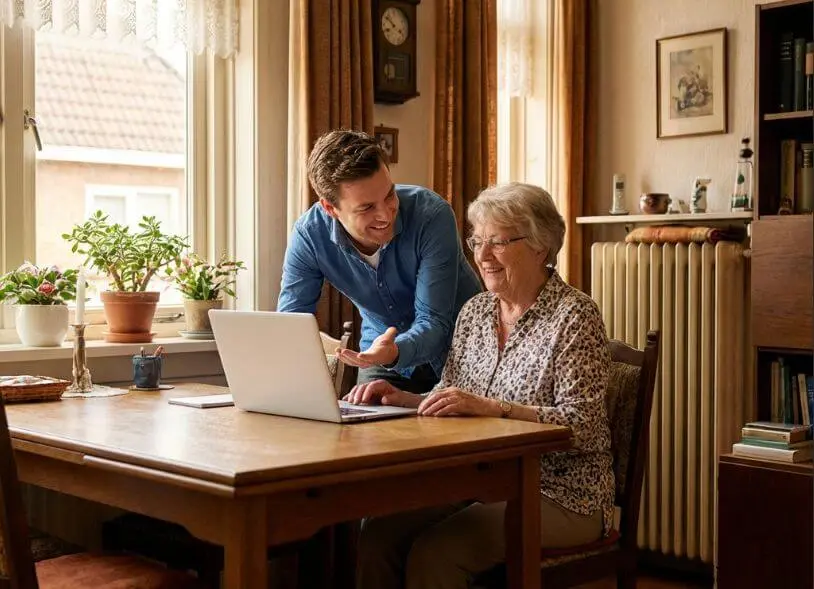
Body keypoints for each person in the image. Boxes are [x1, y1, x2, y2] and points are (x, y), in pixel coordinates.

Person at [344, 182, 614, 589]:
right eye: (477, 241)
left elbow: (583, 425)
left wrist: (496, 408)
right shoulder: (474, 311)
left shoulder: (575, 315)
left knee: (437, 553)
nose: (482, 256)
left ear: (541, 247)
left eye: (498, 242)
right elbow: (456, 396)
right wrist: (407, 399)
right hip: (478, 481)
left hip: (561, 492)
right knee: (378, 535)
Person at [278, 129, 481, 393]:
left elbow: (434, 322)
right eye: (366, 208)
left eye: (389, 195)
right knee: (366, 425)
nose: (386, 215)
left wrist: (394, 351)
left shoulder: (431, 215)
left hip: (462, 349)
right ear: (330, 209)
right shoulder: (309, 236)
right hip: (381, 353)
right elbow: (291, 323)